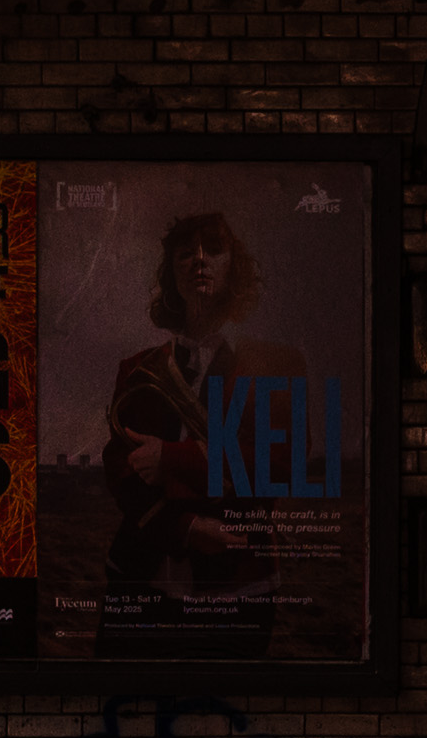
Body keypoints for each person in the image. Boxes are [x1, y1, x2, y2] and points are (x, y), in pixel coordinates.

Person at [101, 211, 306, 595]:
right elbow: (119, 467)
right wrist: (186, 529)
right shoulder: (136, 369)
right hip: (137, 578)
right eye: (185, 254)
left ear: (233, 270)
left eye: (213, 250)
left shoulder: (279, 364)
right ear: (171, 277)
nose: (199, 259)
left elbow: (284, 460)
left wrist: (170, 458)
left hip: (241, 582)